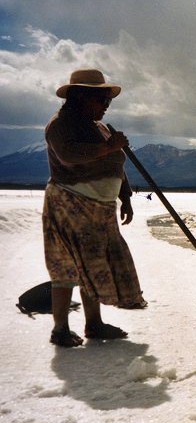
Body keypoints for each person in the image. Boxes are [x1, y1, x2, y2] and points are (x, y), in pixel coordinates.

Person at [43, 68, 146, 347]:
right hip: (70, 204)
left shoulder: (99, 128)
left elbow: (117, 165)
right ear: (80, 97)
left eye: (107, 101)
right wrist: (108, 148)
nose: (105, 107)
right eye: (101, 100)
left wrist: (125, 196)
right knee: (68, 266)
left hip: (101, 207)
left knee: (94, 264)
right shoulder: (60, 125)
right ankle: (60, 329)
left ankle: (93, 323)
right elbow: (69, 156)